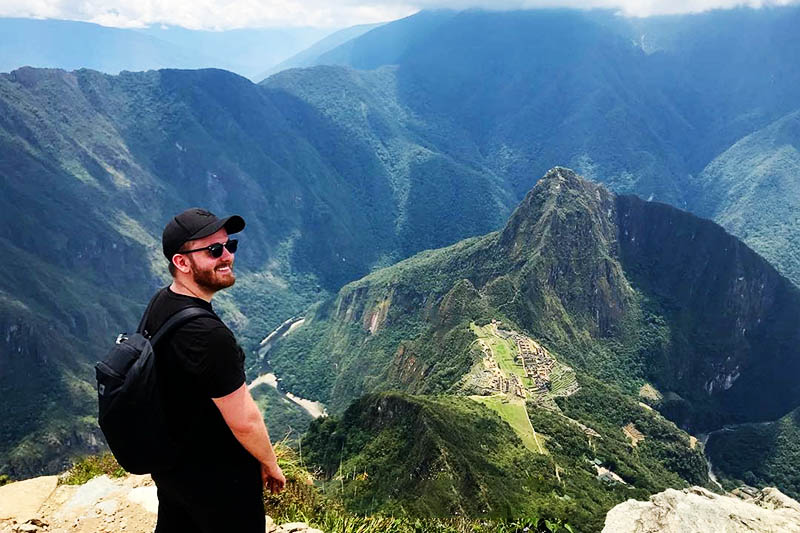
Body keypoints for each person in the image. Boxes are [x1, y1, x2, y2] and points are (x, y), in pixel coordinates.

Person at [144, 207, 285, 533]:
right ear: (182, 263)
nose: (227, 256)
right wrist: (269, 461)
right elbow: (245, 420)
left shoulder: (161, 302)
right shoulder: (208, 335)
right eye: (214, 250)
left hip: (172, 467)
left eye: (229, 246)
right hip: (219, 477)